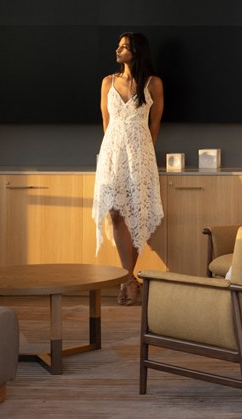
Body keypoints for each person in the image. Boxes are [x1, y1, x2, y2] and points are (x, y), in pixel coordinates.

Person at [93, 32, 164, 306]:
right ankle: (130, 280)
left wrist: (144, 151)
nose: (118, 49)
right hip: (112, 156)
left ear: (137, 51)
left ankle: (128, 280)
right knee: (115, 213)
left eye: (124, 46)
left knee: (135, 214)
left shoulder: (153, 83)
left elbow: (154, 123)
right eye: (118, 46)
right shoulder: (107, 82)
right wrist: (114, 151)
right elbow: (106, 122)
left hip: (141, 156)